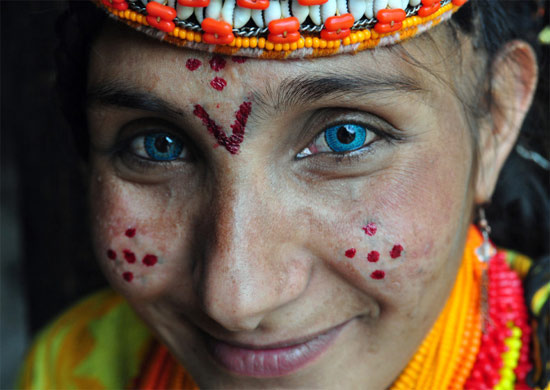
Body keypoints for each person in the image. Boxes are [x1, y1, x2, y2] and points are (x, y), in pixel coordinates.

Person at [18, 0, 549, 389]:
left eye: (346, 136)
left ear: (495, 122)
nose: (236, 302)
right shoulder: (71, 365)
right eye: (157, 146)